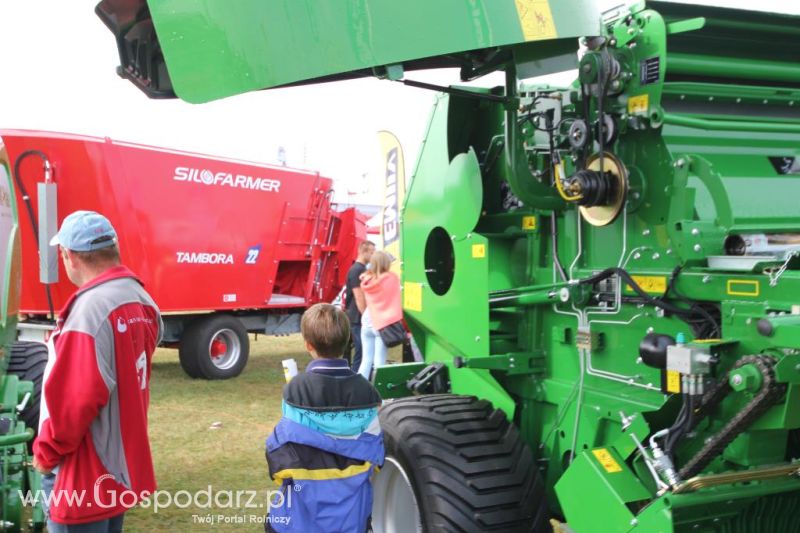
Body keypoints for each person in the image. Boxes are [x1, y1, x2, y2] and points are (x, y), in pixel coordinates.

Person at [33, 211, 162, 532]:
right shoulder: (141, 298)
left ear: (71, 256)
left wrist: (46, 453)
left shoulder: (91, 308)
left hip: (84, 468)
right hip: (119, 464)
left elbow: (75, 401)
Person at [265, 303, 384, 532]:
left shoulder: (295, 390)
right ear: (349, 339)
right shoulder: (367, 391)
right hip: (352, 518)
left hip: (299, 517)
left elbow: (282, 455)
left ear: (309, 345)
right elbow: (375, 452)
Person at [358, 251, 402, 380]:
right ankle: (379, 395)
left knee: (365, 360)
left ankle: (359, 391)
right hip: (381, 323)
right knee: (379, 363)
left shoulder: (366, 279)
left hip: (366, 322)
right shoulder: (391, 278)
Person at [344, 240, 375, 371]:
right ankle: (356, 379)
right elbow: (359, 297)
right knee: (362, 353)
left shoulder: (357, 269)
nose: (373, 256)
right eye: (372, 253)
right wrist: (367, 318)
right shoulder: (358, 270)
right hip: (358, 318)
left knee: (361, 352)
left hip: (355, 317)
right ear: (364, 252)